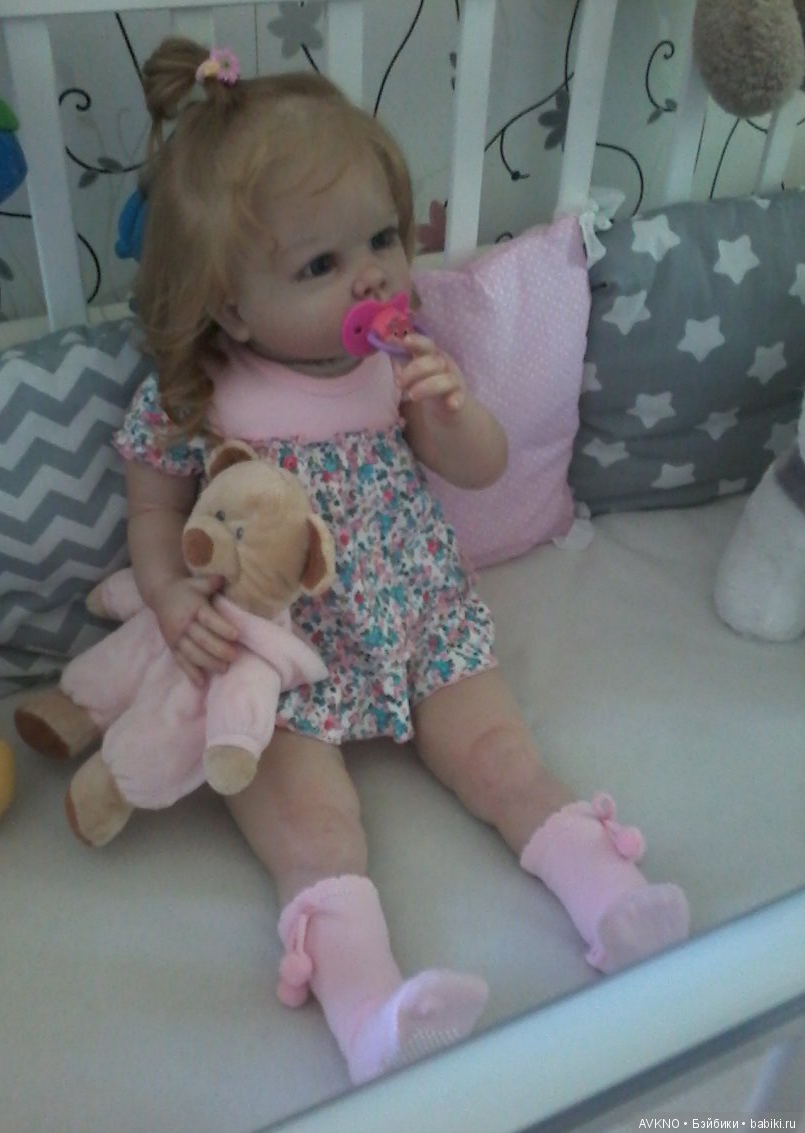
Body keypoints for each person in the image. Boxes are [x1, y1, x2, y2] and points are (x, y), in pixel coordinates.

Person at [114, 37, 690, 1085]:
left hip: (417, 608)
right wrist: (165, 596)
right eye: (321, 265)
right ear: (232, 304)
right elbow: (152, 506)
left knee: (501, 756)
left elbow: (479, 468)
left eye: (382, 237)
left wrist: (450, 409)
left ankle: (612, 897)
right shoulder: (198, 388)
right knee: (314, 825)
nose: (373, 274)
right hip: (278, 645)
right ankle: (370, 1009)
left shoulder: (400, 354)